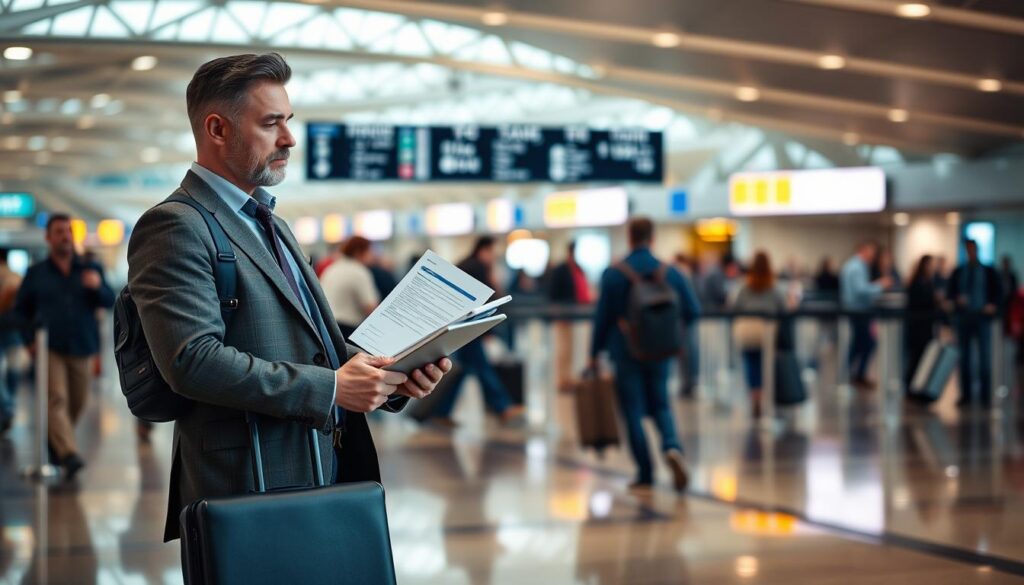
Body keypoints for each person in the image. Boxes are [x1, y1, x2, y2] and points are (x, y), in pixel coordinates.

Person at [126, 53, 450, 543]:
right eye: (271, 123)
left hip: (317, 467)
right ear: (217, 129)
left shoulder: (269, 222)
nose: (289, 139)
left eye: (288, 121)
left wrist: (389, 376)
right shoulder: (176, 225)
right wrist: (332, 390)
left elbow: (317, 344)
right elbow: (191, 360)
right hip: (247, 480)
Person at [589, 217, 700, 492]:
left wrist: (594, 353)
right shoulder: (671, 272)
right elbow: (693, 310)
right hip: (661, 351)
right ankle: (672, 447)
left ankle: (646, 472)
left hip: (626, 352)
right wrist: (674, 332)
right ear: (652, 238)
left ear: (629, 237)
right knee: (661, 404)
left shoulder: (614, 274)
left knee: (633, 412)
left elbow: (602, 318)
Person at [7, 215, 115, 478]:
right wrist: (29, 341)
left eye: (68, 231)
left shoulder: (90, 269)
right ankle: (68, 454)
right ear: (48, 237)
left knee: (77, 403)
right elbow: (20, 312)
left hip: (83, 344)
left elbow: (110, 300)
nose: (65, 236)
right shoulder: (36, 274)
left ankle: (55, 442)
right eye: (59, 231)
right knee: (57, 399)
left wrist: (98, 287)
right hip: (49, 347)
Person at [429, 237, 524, 427]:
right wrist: (487, 329)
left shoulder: (465, 264)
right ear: (484, 250)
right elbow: (486, 299)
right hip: (468, 327)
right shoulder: (477, 267)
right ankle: (502, 407)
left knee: (462, 370)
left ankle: (441, 411)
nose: (493, 257)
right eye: (492, 253)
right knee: (480, 367)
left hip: (458, 325)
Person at [729, 251, 790, 418]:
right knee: (766, 366)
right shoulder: (774, 287)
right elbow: (783, 309)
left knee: (751, 365)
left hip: (748, 331)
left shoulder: (744, 286)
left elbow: (736, 307)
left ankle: (755, 395)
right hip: (767, 332)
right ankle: (765, 397)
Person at [946, 240, 1002, 406]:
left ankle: (985, 395)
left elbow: (998, 293)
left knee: (985, 358)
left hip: (982, 318)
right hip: (964, 318)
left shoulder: (988, 271)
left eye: (973, 250)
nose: (970, 253)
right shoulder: (959, 271)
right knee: (964, 358)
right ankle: (966, 395)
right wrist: (957, 300)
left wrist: (992, 305)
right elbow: (951, 292)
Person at [841, 241, 891, 389]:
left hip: (859, 310)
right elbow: (860, 290)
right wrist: (880, 285)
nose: (873, 256)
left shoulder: (856, 266)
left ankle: (853, 374)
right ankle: (853, 374)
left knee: (859, 344)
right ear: (863, 250)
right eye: (871, 252)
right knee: (865, 343)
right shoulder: (856, 267)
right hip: (858, 310)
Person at [547, 241, 593, 393]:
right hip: (563, 315)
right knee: (563, 349)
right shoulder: (561, 270)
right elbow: (553, 292)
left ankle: (570, 377)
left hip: (576, 315)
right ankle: (562, 379)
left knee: (574, 348)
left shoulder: (578, 268)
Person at [320, 236, 380, 338]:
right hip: (349, 329)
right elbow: (370, 307)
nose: (372, 255)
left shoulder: (330, 269)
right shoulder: (359, 271)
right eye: (369, 251)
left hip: (327, 327)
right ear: (359, 252)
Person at [904, 255, 939, 394]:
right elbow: (919, 303)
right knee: (916, 357)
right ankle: (911, 387)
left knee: (923, 357)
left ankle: (919, 386)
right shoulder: (918, 283)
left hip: (926, 325)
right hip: (918, 327)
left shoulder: (928, 282)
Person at [0, 248, 22, 433]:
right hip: (13, 327)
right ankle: (9, 404)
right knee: (14, 368)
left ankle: (6, 406)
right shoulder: (15, 276)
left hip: (6, 325)